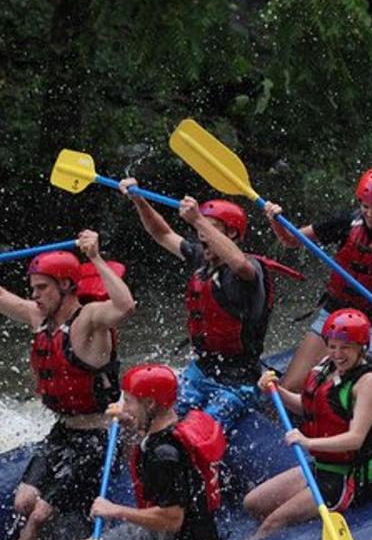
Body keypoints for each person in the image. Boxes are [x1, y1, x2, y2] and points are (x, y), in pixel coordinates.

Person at [0, 231, 135, 540]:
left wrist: (94, 258)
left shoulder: (89, 319)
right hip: (64, 431)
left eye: (41, 287)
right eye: (32, 288)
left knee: (38, 515)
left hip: (100, 437)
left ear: (66, 285)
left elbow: (125, 305)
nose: (34, 296)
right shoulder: (39, 318)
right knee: (23, 502)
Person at [121, 180, 298, 430]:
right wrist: (138, 200)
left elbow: (239, 263)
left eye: (210, 228)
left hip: (239, 380)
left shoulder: (249, 271)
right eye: (200, 230)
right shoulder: (202, 259)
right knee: (157, 418)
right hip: (202, 369)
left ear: (232, 234)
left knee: (201, 432)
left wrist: (197, 220)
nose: (201, 234)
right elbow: (161, 234)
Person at [243, 309, 372, 538]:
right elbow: (308, 405)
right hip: (322, 466)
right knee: (253, 503)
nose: (338, 354)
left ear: (362, 346)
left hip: (349, 476)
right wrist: (277, 392)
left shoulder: (368, 382)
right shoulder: (327, 366)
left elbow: (355, 438)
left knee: (272, 524)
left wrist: (307, 441)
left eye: (346, 347)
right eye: (332, 346)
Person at [264, 166, 372, 391]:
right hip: (334, 314)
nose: (370, 214)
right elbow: (291, 240)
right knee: (290, 386)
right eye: (365, 207)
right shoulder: (346, 222)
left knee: (331, 389)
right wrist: (276, 220)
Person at [66, 364, 225, 540]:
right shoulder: (173, 424)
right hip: (192, 533)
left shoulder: (163, 456)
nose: (125, 408)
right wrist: (129, 422)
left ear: (149, 404)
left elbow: (173, 519)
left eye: (129, 402)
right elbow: (146, 438)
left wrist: (115, 510)